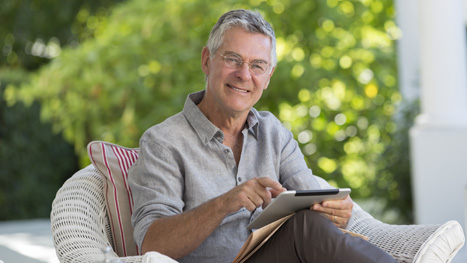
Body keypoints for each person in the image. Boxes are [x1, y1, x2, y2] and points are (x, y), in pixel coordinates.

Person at [128, 9, 397, 263]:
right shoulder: (163, 142)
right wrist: (225, 203)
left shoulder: (274, 133)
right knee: (304, 226)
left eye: (257, 65)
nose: (244, 75)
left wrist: (337, 211)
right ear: (207, 61)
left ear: (268, 77)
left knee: (309, 221)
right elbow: (152, 243)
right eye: (232, 59)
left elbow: (314, 205)